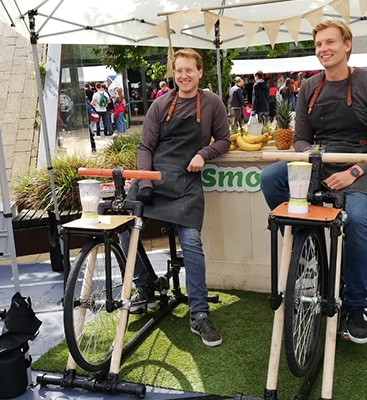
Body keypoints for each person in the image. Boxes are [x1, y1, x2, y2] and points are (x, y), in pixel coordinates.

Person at [259, 20, 367, 345]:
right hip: (319, 166)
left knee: (358, 223)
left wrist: (353, 172)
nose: (323, 49)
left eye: (330, 42)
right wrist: (312, 157)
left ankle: (355, 306)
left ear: (347, 45)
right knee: (271, 179)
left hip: (358, 170)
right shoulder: (308, 87)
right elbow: (302, 139)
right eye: (319, 44)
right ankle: (310, 248)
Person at [126, 48, 230, 347]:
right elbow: (145, 147)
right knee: (124, 227)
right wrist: (144, 182)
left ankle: (198, 313)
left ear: (200, 72)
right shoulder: (160, 105)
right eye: (179, 70)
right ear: (174, 73)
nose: (183, 76)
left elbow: (223, 139)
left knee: (192, 242)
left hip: (186, 182)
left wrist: (203, 154)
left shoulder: (212, 104)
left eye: (189, 70)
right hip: (154, 178)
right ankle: (145, 286)